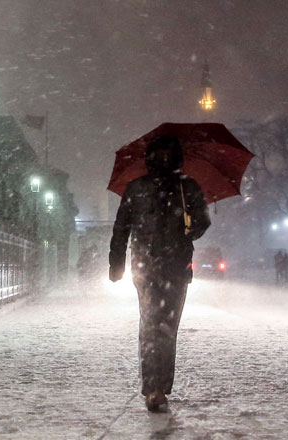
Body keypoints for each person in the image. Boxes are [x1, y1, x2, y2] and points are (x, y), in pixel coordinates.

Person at [109, 135, 211, 412]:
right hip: (168, 267)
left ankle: (155, 386)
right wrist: (190, 227)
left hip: (151, 266)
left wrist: (116, 263)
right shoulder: (184, 186)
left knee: (154, 326)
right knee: (163, 327)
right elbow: (202, 224)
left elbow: (121, 229)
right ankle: (158, 387)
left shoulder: (141, 188)